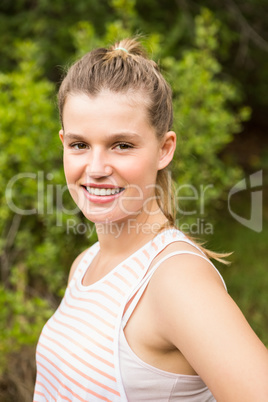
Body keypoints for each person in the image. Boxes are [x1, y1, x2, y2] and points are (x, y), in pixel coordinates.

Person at [33, 38, 268, 402]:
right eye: (80, 145)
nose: (95, 169)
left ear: (164, 149)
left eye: (121, 145)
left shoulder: (174, 279)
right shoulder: (86, 264)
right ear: (63, 142)